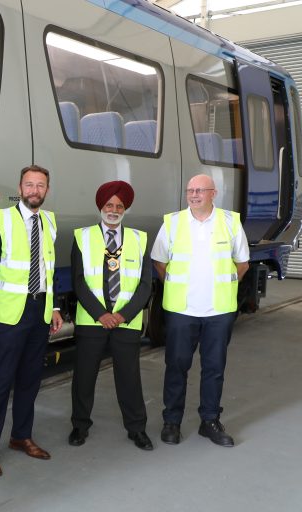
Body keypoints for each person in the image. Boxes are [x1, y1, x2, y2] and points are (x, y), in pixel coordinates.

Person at [0, 164, 63, 477]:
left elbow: (49, 269)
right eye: (29, 184)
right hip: (10, 313)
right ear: (20, 188)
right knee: (2, 380)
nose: (34, 190)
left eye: (40, 185)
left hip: (40, 310)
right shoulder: (1, 219)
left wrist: (54, 307)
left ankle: (21, 436)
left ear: (47, 190)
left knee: (30, 379)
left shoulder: (50, 221)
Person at [151, 174, 249, 447]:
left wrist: (223, 287)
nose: (193, 195)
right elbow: (159, 262)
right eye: (190, 190)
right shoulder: (172, 222)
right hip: (182, 310)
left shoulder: (230, 222)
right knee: (176, 366)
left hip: (218, 311)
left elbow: (242, 264)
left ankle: (210, 421)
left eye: (200, 190)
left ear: (213, 193)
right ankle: (172, 422)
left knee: (214, 368)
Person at [69, 181, 153, 451]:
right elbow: (78, 281)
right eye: (109, 205)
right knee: (84, 377)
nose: (114, 210)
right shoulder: (82, 237)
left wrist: (123, 315)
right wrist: (101, 314)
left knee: (129, 378)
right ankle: (80, 425)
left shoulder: (140, 239)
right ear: (101, 207)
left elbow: (146, 285)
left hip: (126, 322)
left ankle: (137, 429)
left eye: (119, 205)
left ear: (125, 209)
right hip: (92, 321)